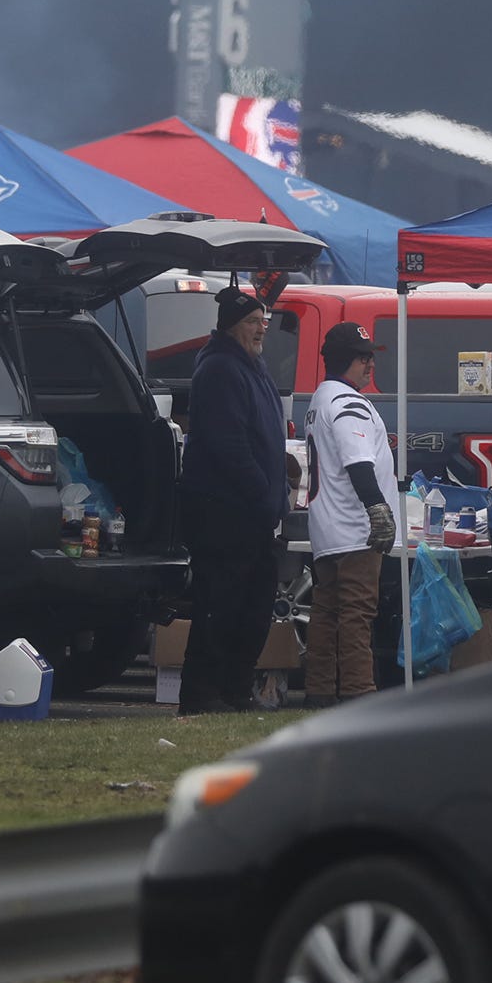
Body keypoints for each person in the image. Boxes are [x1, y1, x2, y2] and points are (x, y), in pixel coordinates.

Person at [179, 286, 287, 715]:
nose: (262, 329)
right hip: (225, 510)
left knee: (254, 605)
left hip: (256, 513)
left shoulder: (252, 365)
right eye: (252, 322)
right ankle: (202, 692)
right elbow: (230, 444)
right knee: (220, 603)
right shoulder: (221, 368)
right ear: (231, 326)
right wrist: (263, 490)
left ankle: (235, 688)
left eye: (264, 321)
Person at [300, 323, 397, 709]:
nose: (370, 363)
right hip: (356, 530)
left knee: (326, 612)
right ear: (344, 361)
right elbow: (358, 463)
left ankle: (320, 691)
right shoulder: (348, 402)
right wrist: (379, 511)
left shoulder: (321, 398)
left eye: (370, 355)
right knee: (356, 614)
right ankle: (360, 695)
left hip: (327, 526)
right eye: (362, 356)